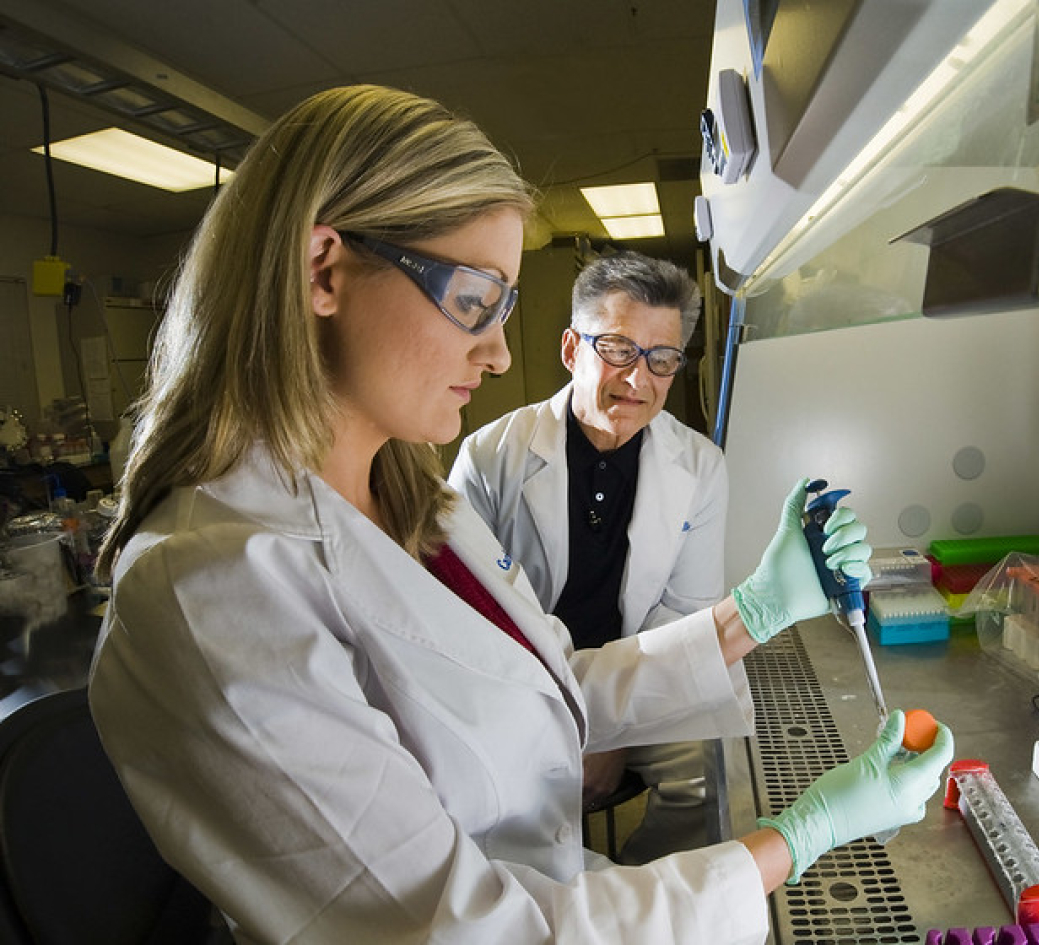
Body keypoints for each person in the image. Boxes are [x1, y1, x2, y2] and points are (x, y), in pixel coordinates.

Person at [90, 84, 954, 945]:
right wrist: (791, 842)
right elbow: (473, 931)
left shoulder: (411, 496)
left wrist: (754, 610)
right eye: (474, 300)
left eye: (502, 310)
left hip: (573, 887)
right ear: (324, 270)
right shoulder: (212, 587)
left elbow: (549, 688)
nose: (501, 352)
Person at [449, 250, 725, 863]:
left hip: (641, 683)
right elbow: (473, 615)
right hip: (519, 686)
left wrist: (612, 729)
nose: (638, 380)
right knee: (497, 803)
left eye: (662, 360)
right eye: (619, 349)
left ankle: (636, 895)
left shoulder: (701, 465)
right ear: (573, 349)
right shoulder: (490, 457)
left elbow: (682, 613)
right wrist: (569, 722)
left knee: (707, 777)